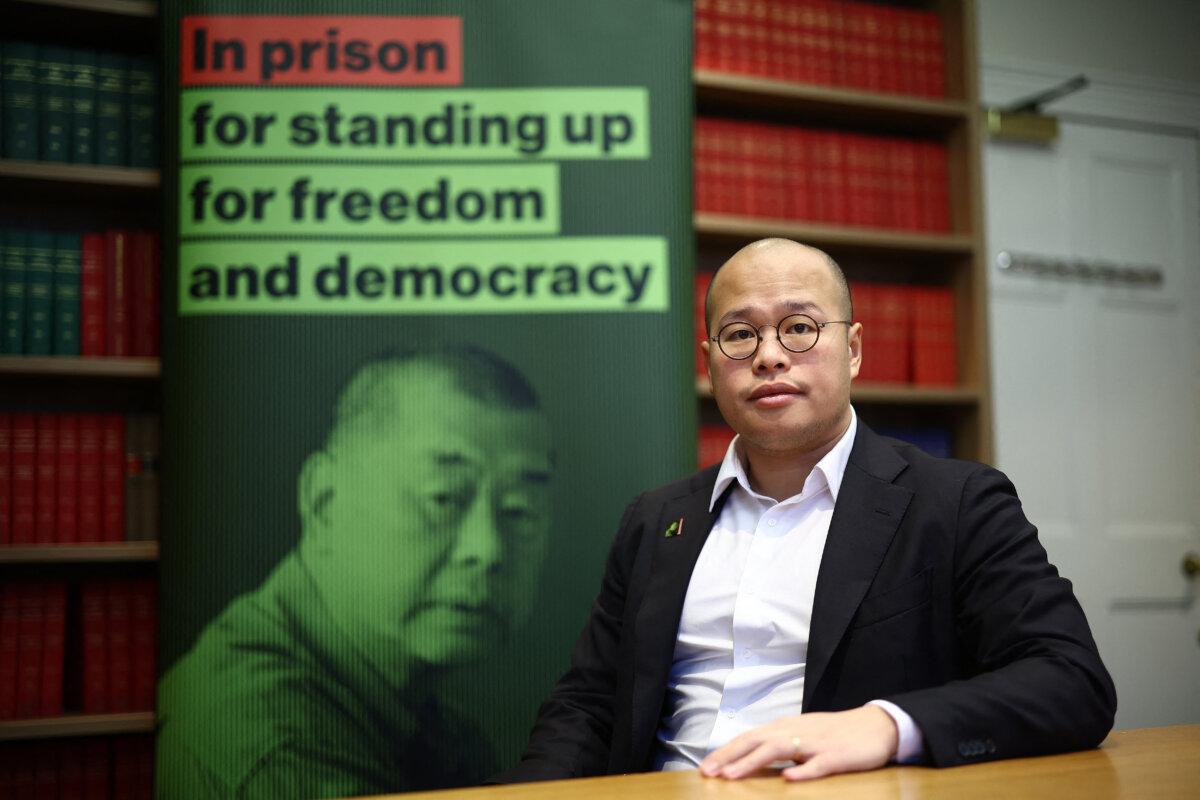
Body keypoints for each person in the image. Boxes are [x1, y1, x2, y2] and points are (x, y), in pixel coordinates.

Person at [495, 238, 1115, 784]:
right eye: (741, 334)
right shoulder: (656, 519)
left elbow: (1070, 680)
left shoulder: (956, 503)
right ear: (709, 362)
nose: (769, 355)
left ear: (853, 350)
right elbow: (591, 703)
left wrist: (886, 726)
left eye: (799, 327)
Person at [158, 346, 555, 798]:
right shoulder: (277, 745)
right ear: (324, 501)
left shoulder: (430, 718)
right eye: (442, 498)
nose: (486, 550)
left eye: (521, 509)